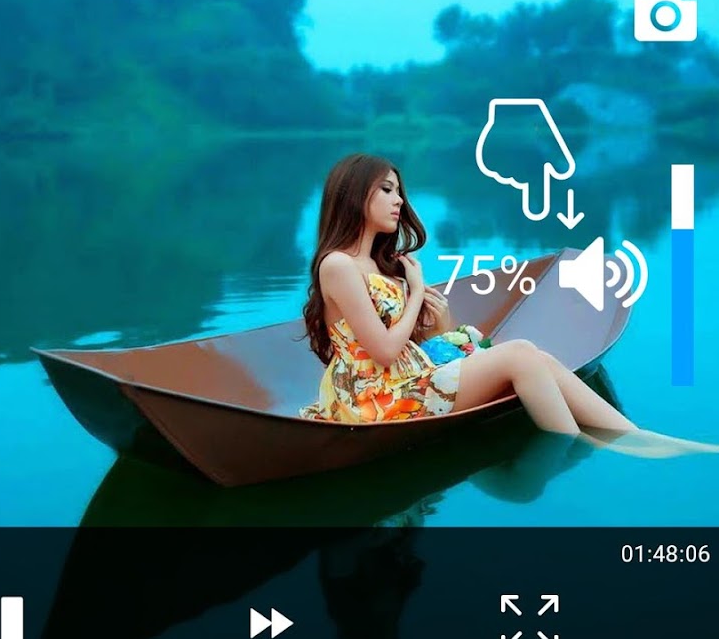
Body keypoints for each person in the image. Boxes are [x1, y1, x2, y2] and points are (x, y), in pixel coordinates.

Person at [298, 152, 717, 457]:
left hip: (407, 381)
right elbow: (385, 351)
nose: (400, 202)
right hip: (375, 400)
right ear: (354, 196)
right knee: (519, 354)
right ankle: (584, 444)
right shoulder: (338, 265)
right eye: (387, 190)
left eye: (399, 192)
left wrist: (438, 321)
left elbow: (411, 345)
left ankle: (635, 436)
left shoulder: (379, 265)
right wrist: (416, 290)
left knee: (538, 357)